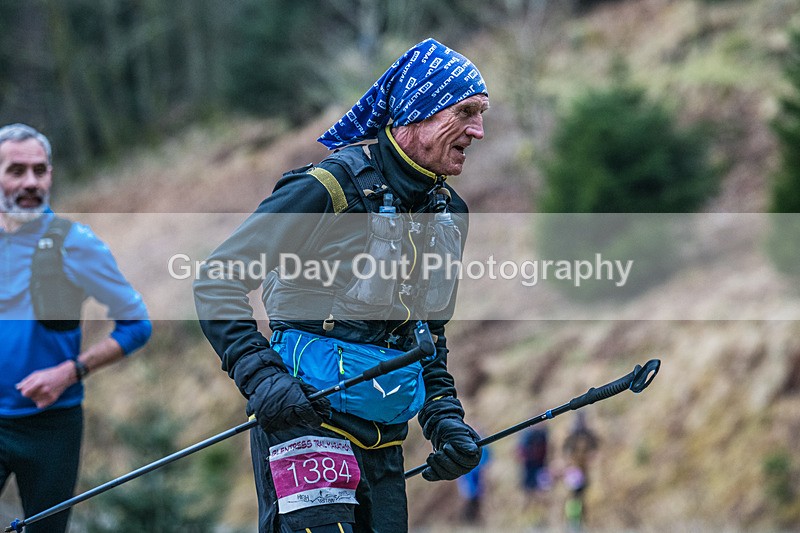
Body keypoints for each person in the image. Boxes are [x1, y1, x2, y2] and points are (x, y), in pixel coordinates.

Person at [194, 37, 489, 533]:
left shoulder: (449, 213)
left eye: (482, 115)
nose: (478, 131)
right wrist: (261, 376)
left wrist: (443, 418)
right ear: (419, 111)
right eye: (465, 113)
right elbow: (217, 277)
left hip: (386, 437)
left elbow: (427, 337)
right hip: (305, 427)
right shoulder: (327, 189)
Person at [0, 123, 152, 532]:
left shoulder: (76, 243)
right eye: (16, 171)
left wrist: (71, 371)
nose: (31, 182)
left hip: (53, 426)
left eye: (40, 170)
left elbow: (137, 325)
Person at [562, 412, 599, 531]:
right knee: (574, 497)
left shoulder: (588, 435)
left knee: (581, 497)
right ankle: (572, 522)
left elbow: (595, 448)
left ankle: (578, 522)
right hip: (573, 470)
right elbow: (566, 452)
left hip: (584, 470)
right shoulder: (571, 436)